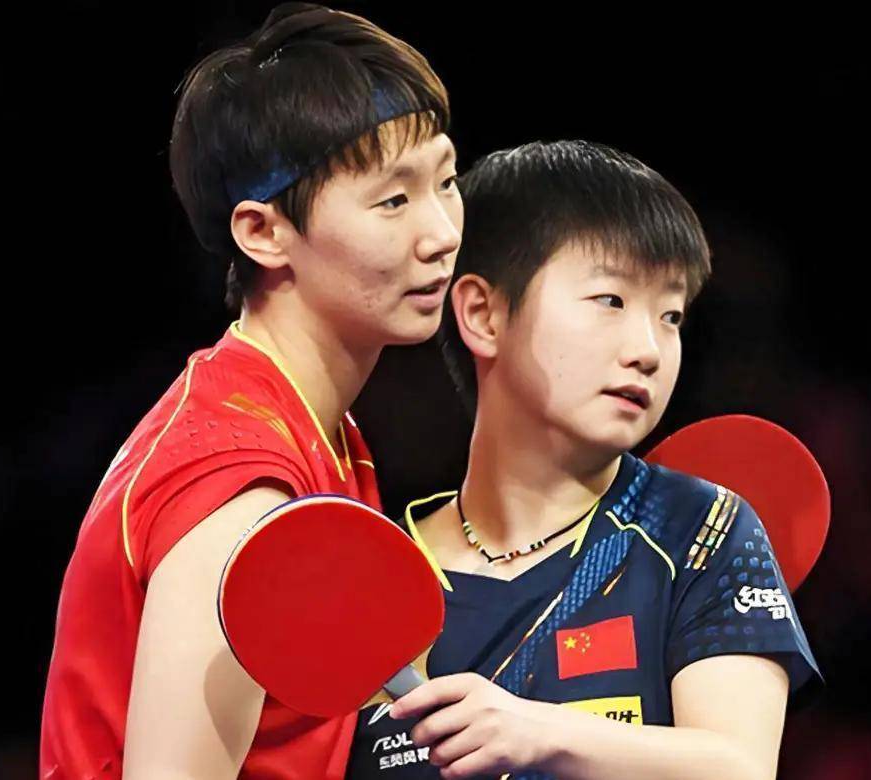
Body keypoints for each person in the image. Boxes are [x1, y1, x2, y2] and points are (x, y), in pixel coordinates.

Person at [39, 4, 463, 778]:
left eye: (445, 181)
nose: (441, 233)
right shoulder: (238, 495)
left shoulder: (304, 426)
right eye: (393, 200)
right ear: (262, 232)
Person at [348, 140, 820, 779]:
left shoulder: (701, 532)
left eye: (671, 315)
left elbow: (740, 767)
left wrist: (538, 733)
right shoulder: (379, 578)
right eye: (611, 301)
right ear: (483, 314)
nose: (648, 350)